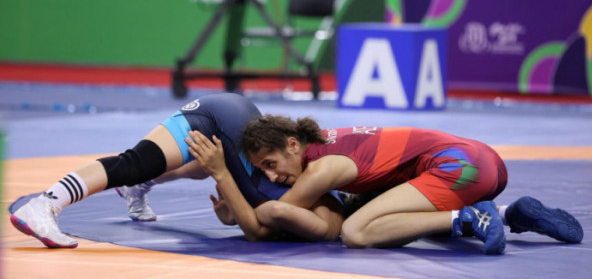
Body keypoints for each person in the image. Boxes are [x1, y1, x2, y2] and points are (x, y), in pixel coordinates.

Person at [187, 115, 584, 254]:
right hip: (482, 161)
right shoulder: (325, 141)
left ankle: (465, 219)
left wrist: (223, 177)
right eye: (264, 171)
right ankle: (508, 214)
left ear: (294, 145)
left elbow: (266, 222)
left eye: (271, 165)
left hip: (460, 168)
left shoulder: (321, 170)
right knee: (392, 219)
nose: (272, 177)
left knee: (358, 232)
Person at [9, 93, 344, 248]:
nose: (275, 176)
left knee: (201, 165)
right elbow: (255, 228)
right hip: (212, 115)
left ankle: (139, 187)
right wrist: (226, 182)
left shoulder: (304, 172)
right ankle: (46, 203)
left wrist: (231, 204)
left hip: (238, 120)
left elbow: (244, 217)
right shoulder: (312, 177)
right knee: (134, 163)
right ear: (293, 145)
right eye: (271, 167)